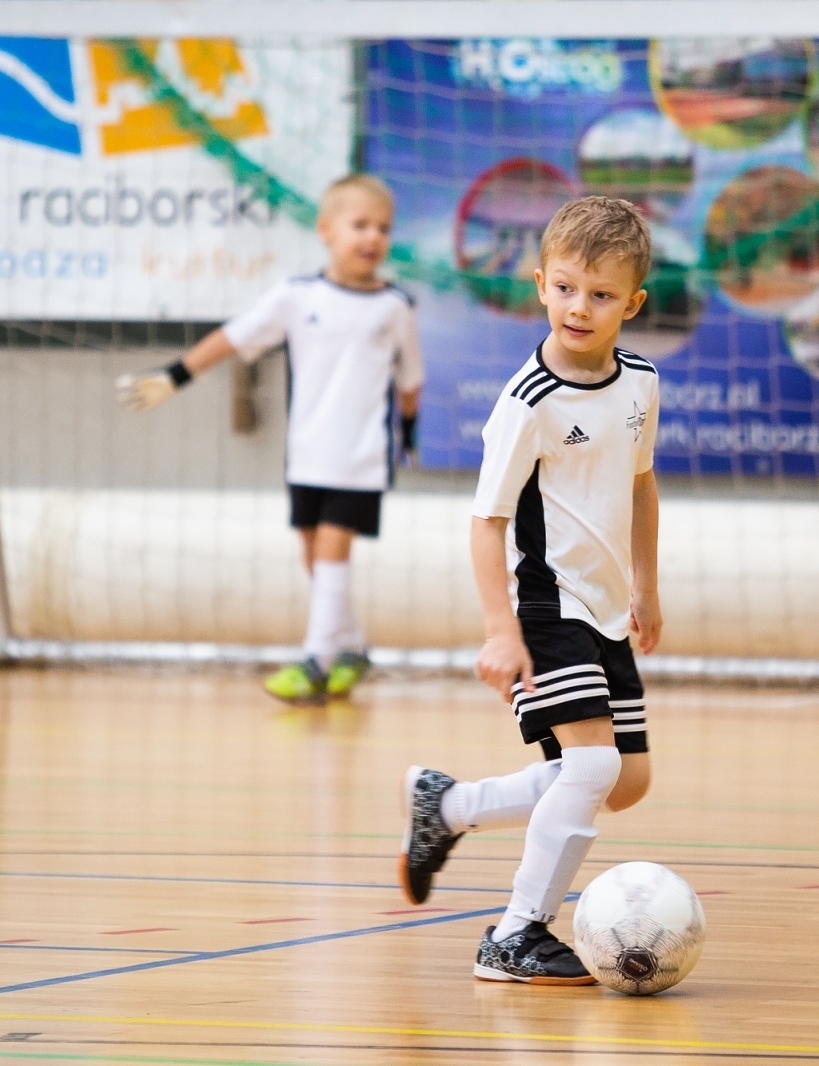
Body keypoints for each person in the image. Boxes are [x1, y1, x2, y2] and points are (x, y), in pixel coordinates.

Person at [397, 196, 661, 985]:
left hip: (608, 606)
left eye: (603, 294)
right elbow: (486, 523)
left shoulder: (641, 382)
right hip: (547, 605)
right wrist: (500, 630)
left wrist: (645, 585)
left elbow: (642, 485)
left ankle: (448, 808)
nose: (581, 307)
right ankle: (515, 935)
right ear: (541, 282)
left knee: (627, 782)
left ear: (633, 304)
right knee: (591, 771)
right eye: (568, 287)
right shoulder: (528, 402)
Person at [116, 174, 422, 704]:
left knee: (330, 557)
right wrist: (174, 375)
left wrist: (409, 432)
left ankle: (315, 662)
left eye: (384, 228)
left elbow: (411, 380)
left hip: (361, 459)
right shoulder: (295, 297)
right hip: (307, 456)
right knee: (316, 561)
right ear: (326, 230)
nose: (373, 236)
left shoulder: (395, 307)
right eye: (360, 224)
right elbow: (233, 338)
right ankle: (351, 648)